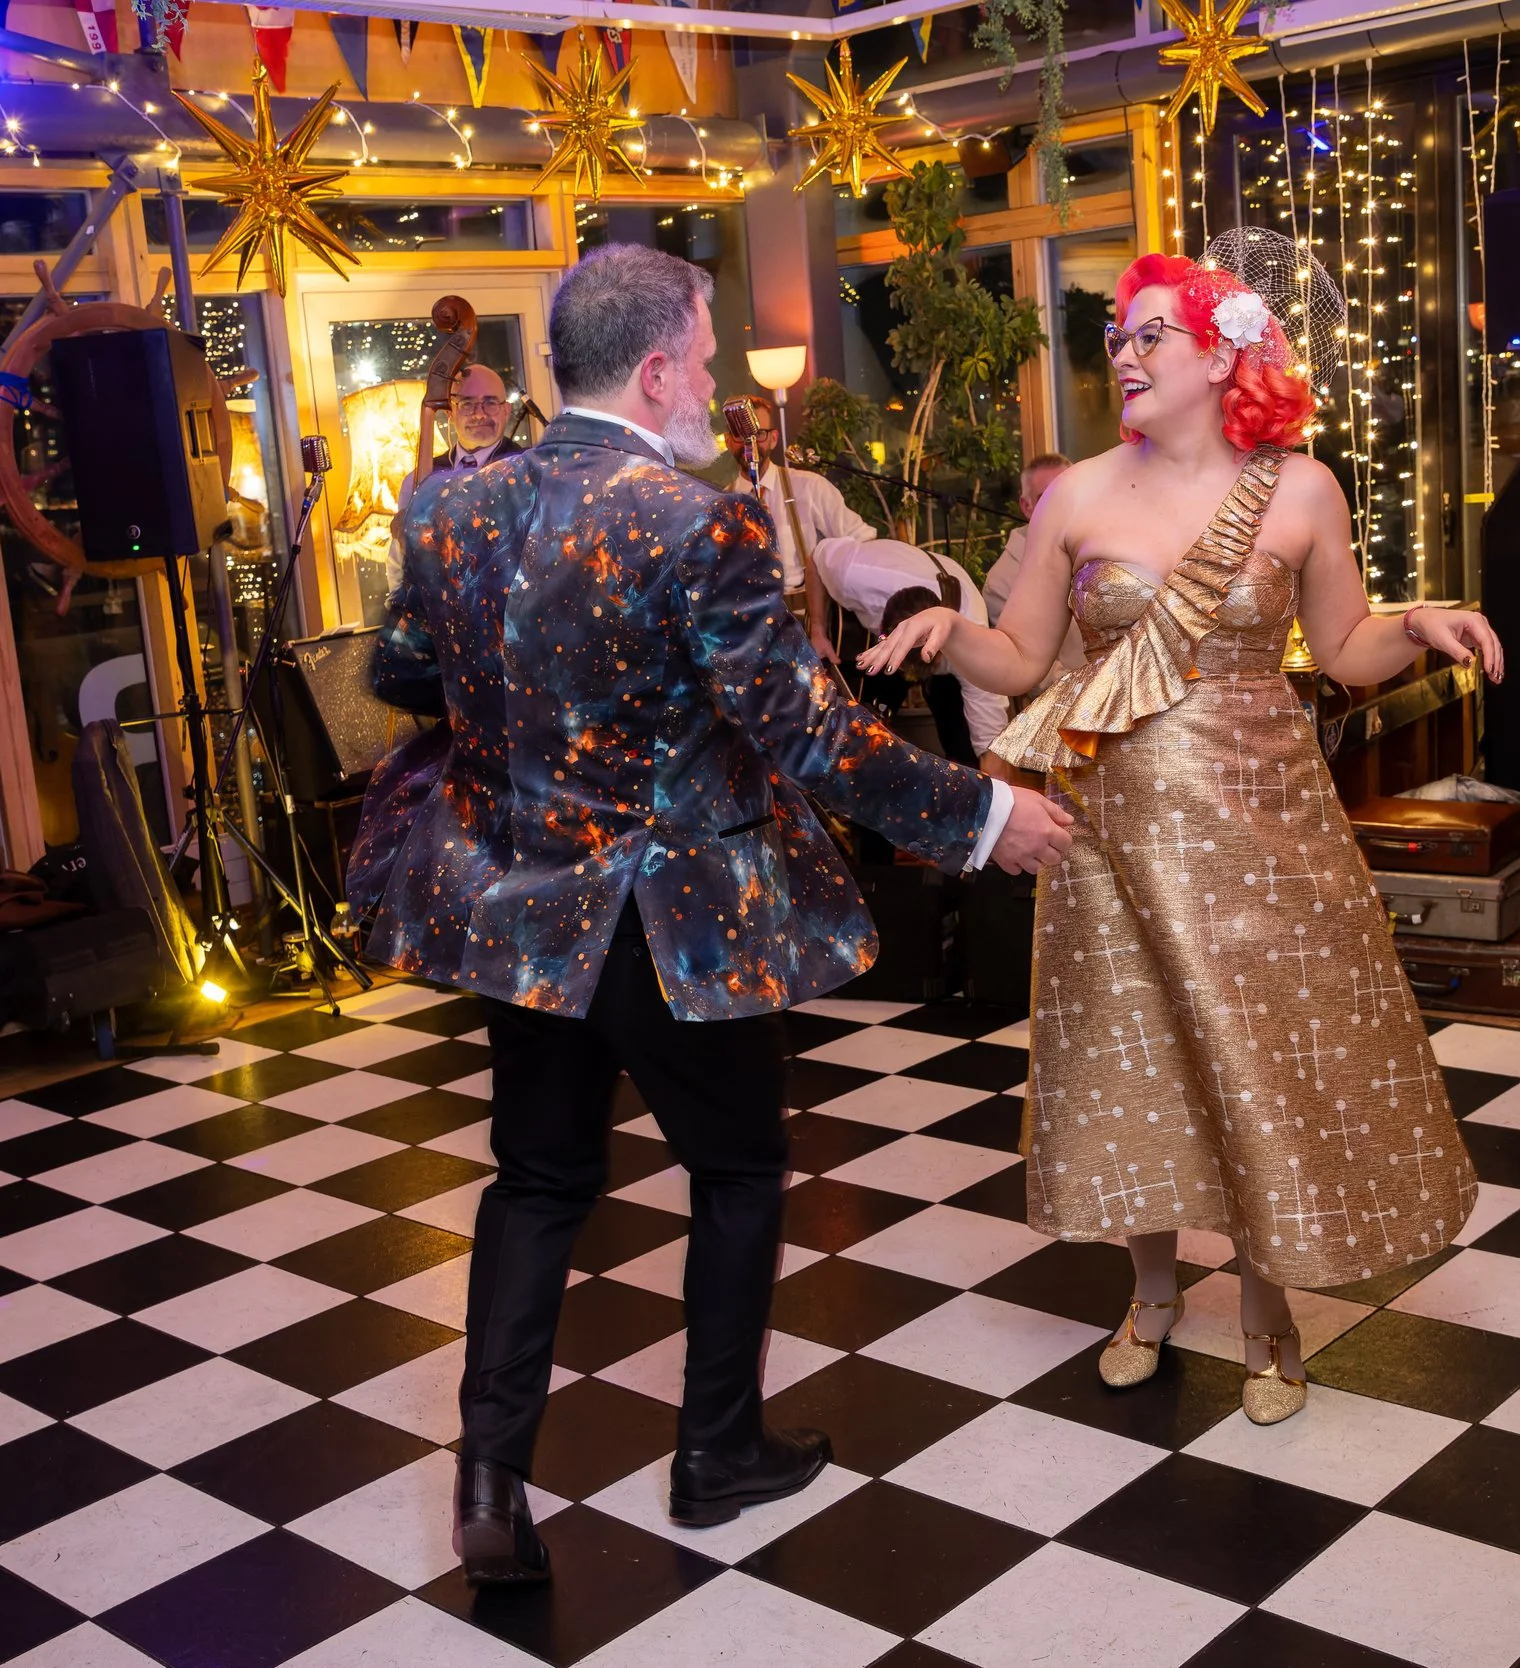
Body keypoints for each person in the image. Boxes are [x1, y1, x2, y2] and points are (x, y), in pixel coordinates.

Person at [366, 243, 1074, 1584]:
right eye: (700, 357)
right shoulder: (695, 523)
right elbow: (809, 735)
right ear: (652, 370)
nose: (711, 382)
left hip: (523, 917)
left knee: (537, 1183)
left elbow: (404, 670)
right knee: (740, 1170)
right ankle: (715, 1453)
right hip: (672, 918)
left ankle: (489, 1484)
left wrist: (534, 710)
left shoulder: (450, 510)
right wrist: (986, 817)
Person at [862, 252, 1499, 1424]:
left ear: (1221, 355)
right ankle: (1151, 1297)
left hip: (1261, 826)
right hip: (1110, 828)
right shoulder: (1077, 495)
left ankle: (1266, 1316)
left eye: (1148, 333)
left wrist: (1420, 622)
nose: (1123, 352)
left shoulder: (1299, 489)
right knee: (1133, 1064)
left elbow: (1344, 649)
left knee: (1255, 1063)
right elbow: (1021, 658)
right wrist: (949, 631)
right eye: (1118, 334)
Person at [813, 534, 1007, 763]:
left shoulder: (974, 644)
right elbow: (815, 558)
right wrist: (818, 627)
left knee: (962, 739)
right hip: (869, 641)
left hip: (955, 657)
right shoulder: (855, 574)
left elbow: (990, 734)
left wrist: (993, 768)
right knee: (863, 722)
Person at [727, 407, 877, 664]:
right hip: (754, 632)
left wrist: (835, 604)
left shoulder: (809, 486)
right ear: (729, 441)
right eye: (740, 435)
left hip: (812, 622)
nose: (749, 443)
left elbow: (863, 541)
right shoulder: (722, 504)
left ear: (773, 438)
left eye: (758, 434)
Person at [986, 455, 1087, 690]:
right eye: (1048, 498)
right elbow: (1029, 669)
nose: (1063, 506)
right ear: (1026, 506)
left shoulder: (1101, 545)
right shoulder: (1001, 581)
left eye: (1069, 493)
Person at [398, 362, 526, 507]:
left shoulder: (529, 470)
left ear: (506, 411)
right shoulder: (419, 480)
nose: (479, 415)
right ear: (450, 413)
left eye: (490, 403)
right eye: (467, 404)